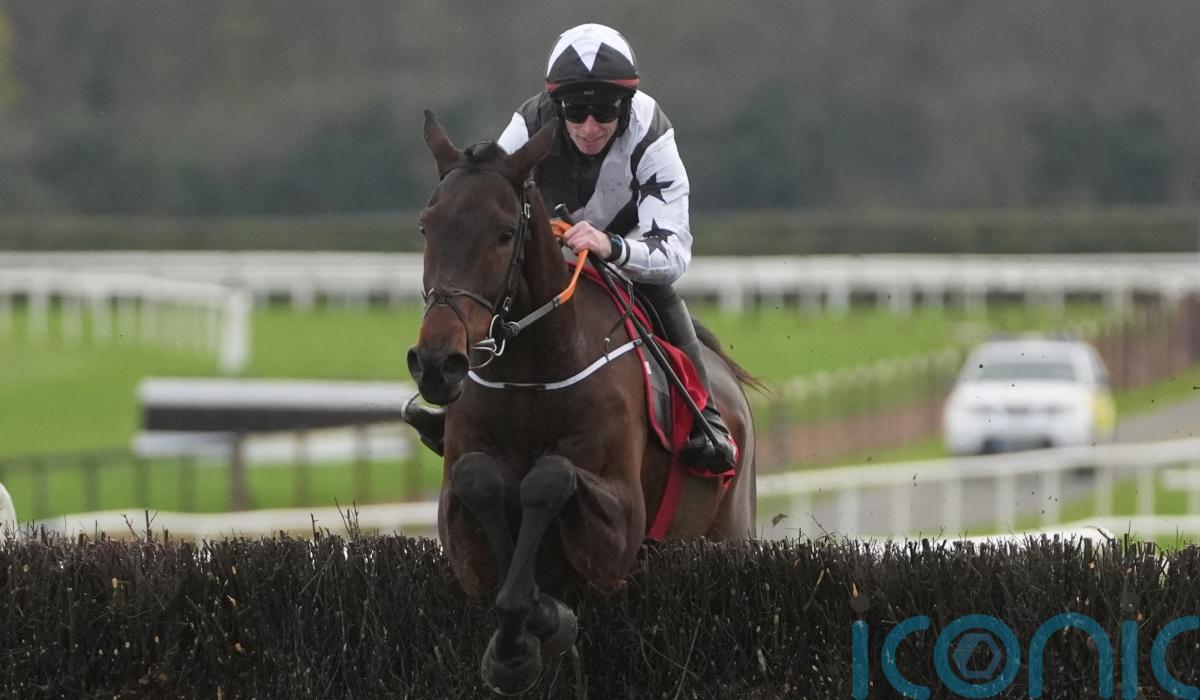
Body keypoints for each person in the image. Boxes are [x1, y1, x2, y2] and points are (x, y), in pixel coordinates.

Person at [407, 23, 736, 474]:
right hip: (550, 257)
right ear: (557, 106)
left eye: (604, 111)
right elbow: (487, 201)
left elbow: (673, 253)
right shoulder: (529, 123)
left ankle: (708, 421)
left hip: (626, 255)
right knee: (490, 294)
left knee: (662, 295)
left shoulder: (652, 133)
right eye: (576, 112)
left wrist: (610, 245)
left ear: (626, 104)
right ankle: (454, 411)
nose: (589, 126)